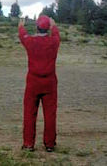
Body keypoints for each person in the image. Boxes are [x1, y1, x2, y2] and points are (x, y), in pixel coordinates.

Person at [18, 15, 61, 152]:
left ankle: (28, 144)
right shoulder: (53, 42)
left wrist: (21, 26)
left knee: (29, 113)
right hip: (49, 82)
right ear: (47, 29)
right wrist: (54, 26)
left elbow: (22, 35)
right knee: (50, 114)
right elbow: (56, 34)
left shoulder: (30, 41)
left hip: (33, 82)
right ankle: (49, 144)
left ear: (37, 27)